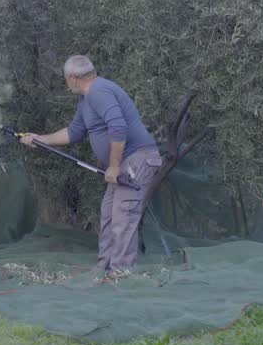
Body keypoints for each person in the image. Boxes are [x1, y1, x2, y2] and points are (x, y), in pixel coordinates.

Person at [20, 55, 162, 271]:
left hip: (136, 159)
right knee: (109, 215)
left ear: (73, 78)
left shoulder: (99, 92)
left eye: (66, 79)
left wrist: (113, 166)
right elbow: (73, 133)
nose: (67, 83)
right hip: (125, 163)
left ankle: (120, 275)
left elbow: (118, 126)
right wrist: (39, 139)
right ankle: (104, 269)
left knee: (123, 217)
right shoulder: (87, 99)